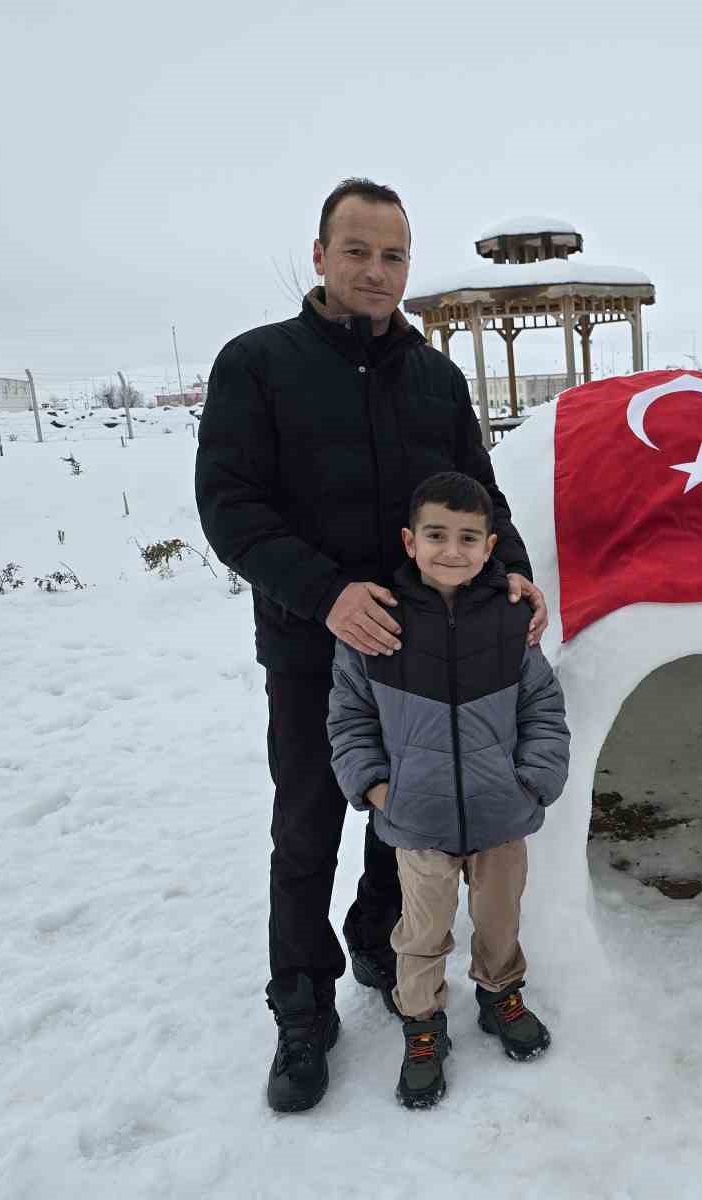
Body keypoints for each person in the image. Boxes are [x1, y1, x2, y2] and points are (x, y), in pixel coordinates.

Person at [195, 178, 547, 1113]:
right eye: (357, 250)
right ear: (318, 255)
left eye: (393, 255)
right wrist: (325, 594)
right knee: (308, 824)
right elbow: (230, 508)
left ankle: (382, 936)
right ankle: (302, 1006)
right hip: (312, 647)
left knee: (414, 817)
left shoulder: (433, 378)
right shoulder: (258, 365)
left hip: (429, 650)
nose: (376, 270)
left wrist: (506, 566)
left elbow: (478, 494)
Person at [327, 472, 570, 1109]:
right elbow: (349, 716)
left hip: (501, 815)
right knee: (421, 932)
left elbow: (542, 706)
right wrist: (378, 788)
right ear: (410, 541)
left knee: (498, 919)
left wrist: (534, 782)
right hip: (417, 818)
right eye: (436, 535)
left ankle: (500, 995)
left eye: (469, 537)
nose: (452, 550)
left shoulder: (509, 619)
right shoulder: (381, 622)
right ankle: (423, 1026)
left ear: (491, 547)